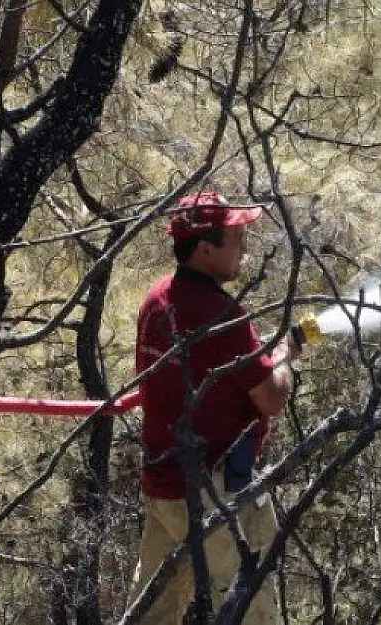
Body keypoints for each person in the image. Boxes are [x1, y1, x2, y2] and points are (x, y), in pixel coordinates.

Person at [127, 190, 298, 623]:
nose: (245, 248)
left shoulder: (157, 299)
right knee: (252, 610)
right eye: (236, 238)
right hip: (216, 492)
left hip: (166, 487)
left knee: (153, 613)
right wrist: (284, 357)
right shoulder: (223, 316)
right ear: (205, 248)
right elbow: (271, 397)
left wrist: (255, 355)